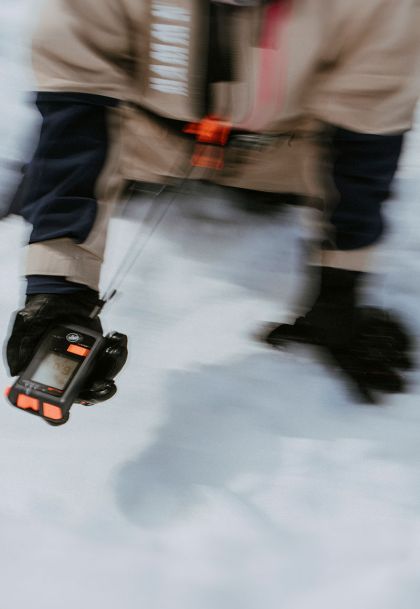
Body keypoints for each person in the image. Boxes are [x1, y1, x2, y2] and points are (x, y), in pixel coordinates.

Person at [5, 0, 420, 404]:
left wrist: (339, 291)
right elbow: (77, 112)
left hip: (278, 161)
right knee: (52, 178)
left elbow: (365, 137)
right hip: (139, 145)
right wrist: (58, 289)